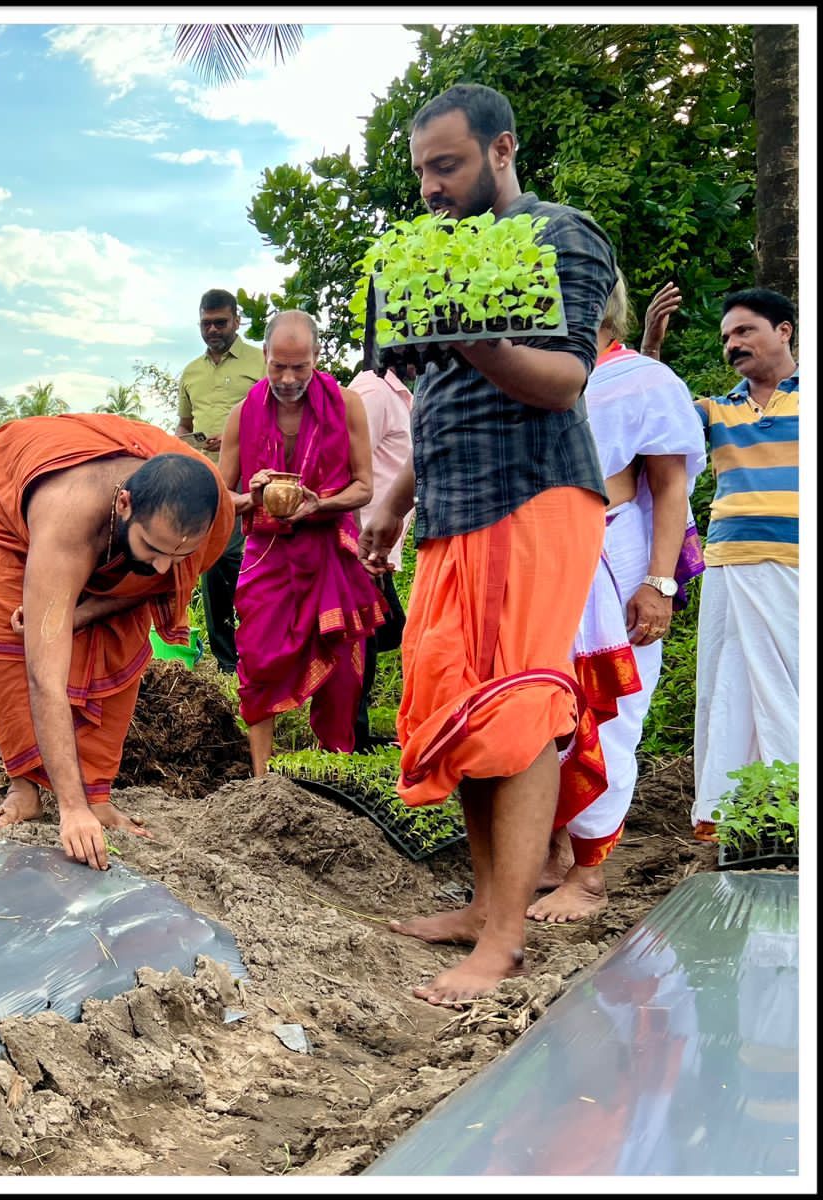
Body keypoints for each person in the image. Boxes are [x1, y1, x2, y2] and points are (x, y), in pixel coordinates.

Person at [358, 83, 618, 1006]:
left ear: (501, 150)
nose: (430, 186)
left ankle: (504, 939)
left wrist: (469, 333)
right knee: (460, 710)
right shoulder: (438, 254)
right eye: (422, 169)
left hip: (534, 493)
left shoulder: (558, 235)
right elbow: (438, 396)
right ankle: (482, 905)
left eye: (448, 165)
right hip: (453, 509)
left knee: (513, 711)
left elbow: (561, 378)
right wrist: (396, 493)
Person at [0, 414, 240, 869]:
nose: (166, 568)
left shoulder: (206, 517)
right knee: (13, 641)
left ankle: (96, 790)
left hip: (103, 513)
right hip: (4, 496)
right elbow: (43, 676)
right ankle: (25, 791)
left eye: (179, 555)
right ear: (125, 504)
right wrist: (70, 812)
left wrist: (80, 612)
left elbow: (153, 587)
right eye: (154, 548)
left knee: (116, 637)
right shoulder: (67, 518)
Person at [530, 271, 706, 922]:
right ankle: (549, 851)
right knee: (544, 714)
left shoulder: (644, 380)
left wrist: (658, 584)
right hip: (546, 563)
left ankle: (590, 876)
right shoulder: (547, 377)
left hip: (616, 559)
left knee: (613, 716)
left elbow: (669, 487)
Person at [643, 286, 800, 839]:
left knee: (797, 686)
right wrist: (651, 349)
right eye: (726, 337)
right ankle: (737, 814)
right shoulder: (716, 409)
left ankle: (796, 808)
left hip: (800, 566)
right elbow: (653, 425)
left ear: (784, 330)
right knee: (731, 687)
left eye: (744, 331)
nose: (732, 344)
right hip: (732, 565)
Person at [220, 311, 385, 772]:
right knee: (257, 662)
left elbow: (364, 487)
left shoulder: (346, 404)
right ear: (265, 357)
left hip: (330, 552)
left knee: (343, 676)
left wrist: (319, 505)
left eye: (300, 367)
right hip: (267, 558)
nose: (289, 378)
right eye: (279, 366)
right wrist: (250, 497)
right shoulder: (242, 415)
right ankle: (261, 780)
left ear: (317, 357)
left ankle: (336, 770)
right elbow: (220, 498)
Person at [177, 289, 265, 674]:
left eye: (220, 322)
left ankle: (262, 646)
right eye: (205, 323)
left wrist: (238, 436)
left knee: (251, 559)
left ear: (237, 321)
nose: (212, 330)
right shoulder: (192, 372)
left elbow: (278, 411)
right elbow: (184, 424)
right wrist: (184, 441)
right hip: (206, 476)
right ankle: (227, 659)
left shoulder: (260, 361)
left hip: (254, 474)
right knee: (212, 563)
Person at [346, 363, 415, 753]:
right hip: (366, 543)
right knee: (366, 638)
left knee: (381, 632)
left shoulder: (395, 394)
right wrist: (357, 544)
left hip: (379, 544)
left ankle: (357, 729)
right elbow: (351, 467)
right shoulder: (372, 392)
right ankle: (354, 735)